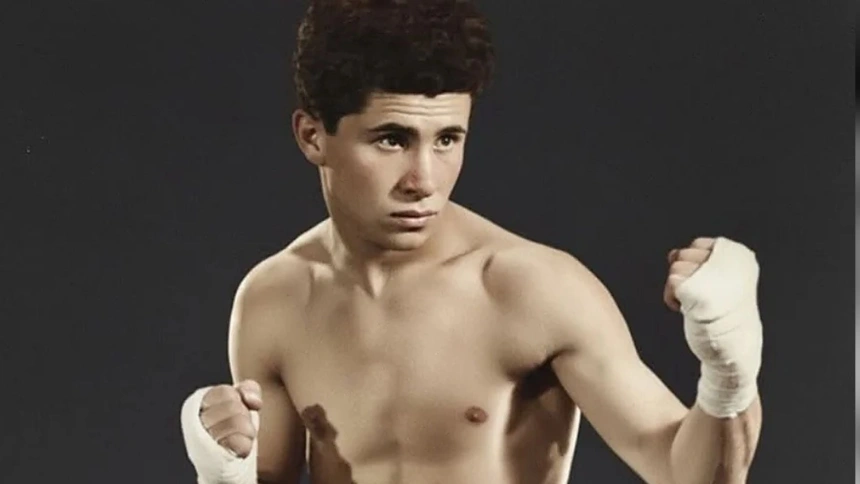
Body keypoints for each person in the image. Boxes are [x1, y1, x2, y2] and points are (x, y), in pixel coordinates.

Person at [179, 1, 764, 483]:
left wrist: (729, 369)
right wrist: (224, 475)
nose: (423, 180)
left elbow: (688, 475)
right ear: (313, 136)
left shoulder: (530, 288)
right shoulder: (274, 299)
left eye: (447, 139)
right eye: (391, 139)